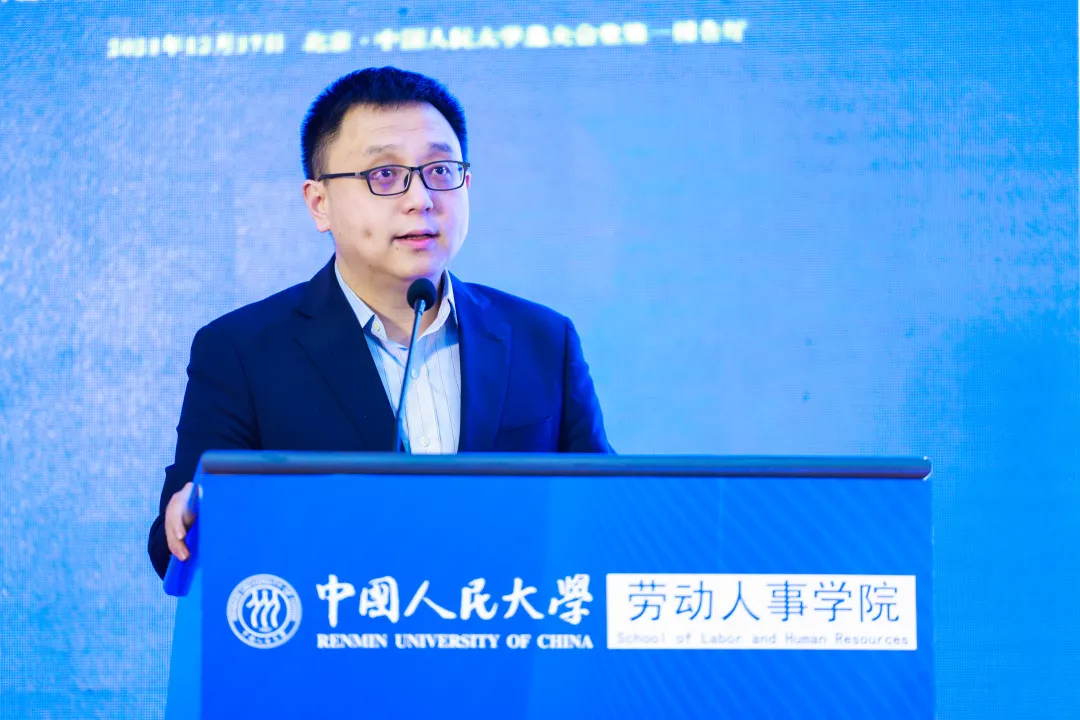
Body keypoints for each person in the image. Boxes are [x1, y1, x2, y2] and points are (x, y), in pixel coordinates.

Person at [148, 66, 613, 579]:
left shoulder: (542, 340)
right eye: (385, 175)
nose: (421, 199)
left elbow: (610, 514)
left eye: (441, 170)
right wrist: (192, 518)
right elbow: (175, 541)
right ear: (319, 204)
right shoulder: (243, 351)